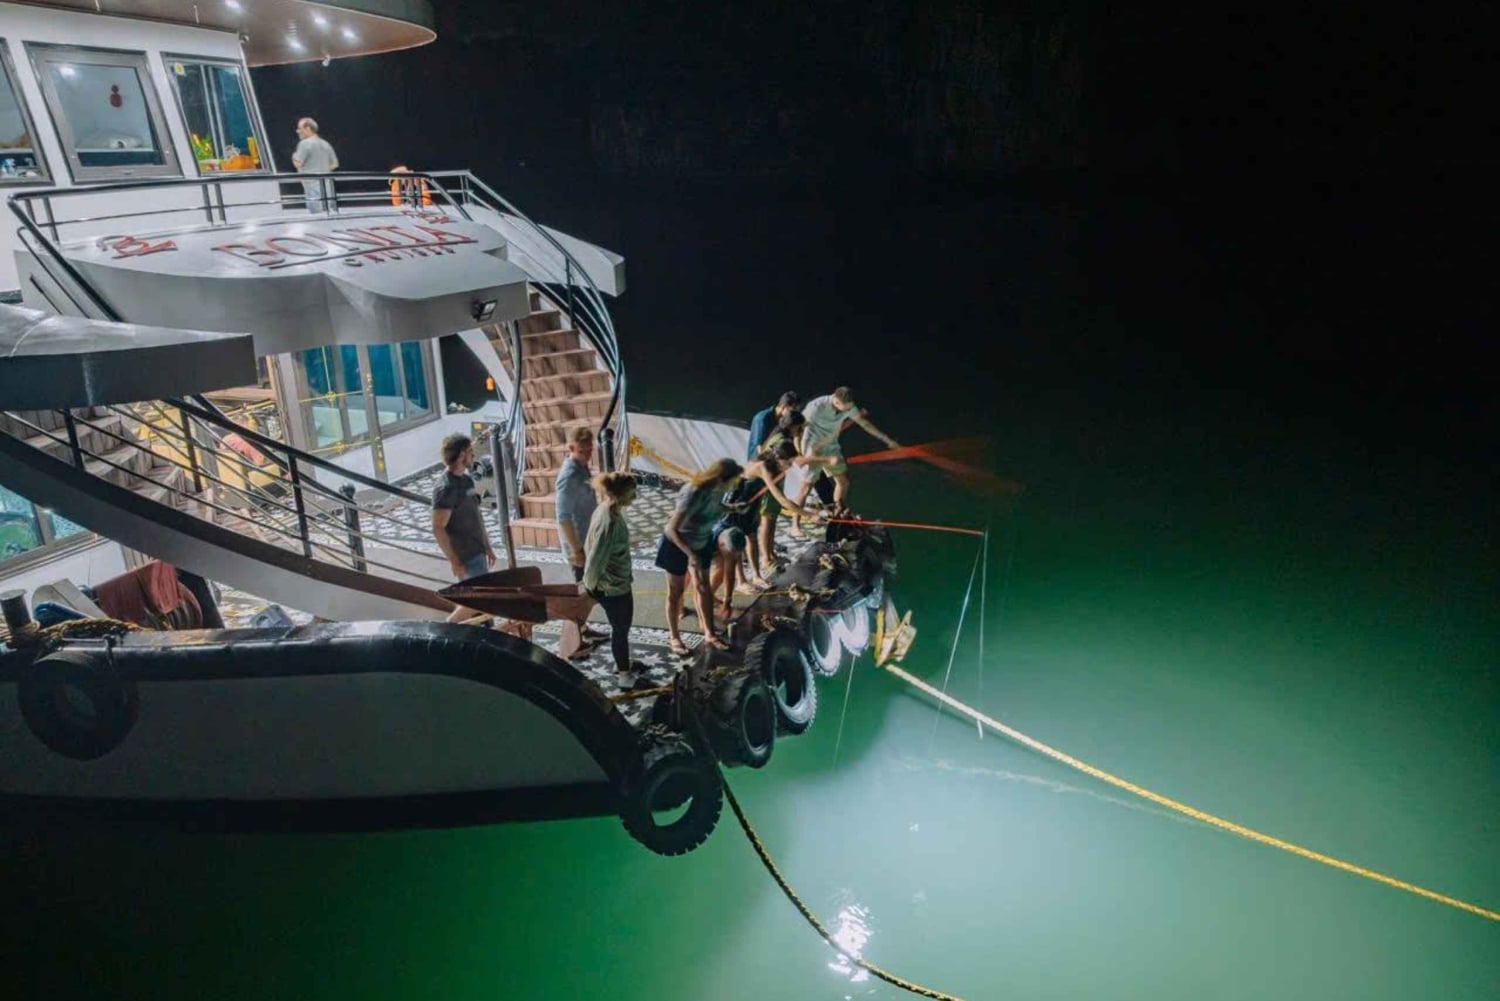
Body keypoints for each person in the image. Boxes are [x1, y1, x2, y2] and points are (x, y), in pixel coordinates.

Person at [655, 458, 742, 656]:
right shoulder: (693, 492)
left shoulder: (719, 490)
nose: (735, 484)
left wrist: (732, 508)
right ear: (722, 478)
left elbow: (715, 508)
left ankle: (710, 634)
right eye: (733, 480)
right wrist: (689, 554)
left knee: (703, 589)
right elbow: (671, 529)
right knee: (675, 592)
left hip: (700, 542)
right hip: (677, 545)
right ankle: (674, 637)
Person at [790, 386, 900, 536]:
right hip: (812, 446)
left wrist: (887, 440)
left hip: (832, 446)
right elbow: (798, 429)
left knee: (843, 481)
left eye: (848, 409)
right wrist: (799, 453)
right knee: (806, 487)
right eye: (844, 409)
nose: (846, 412)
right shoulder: (816, 407)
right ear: (835, 401)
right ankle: (795, 526)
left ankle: (837, 515)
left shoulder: (848, 407)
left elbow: (864, 424)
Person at [582, 472, 642, 676]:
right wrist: (590, 587)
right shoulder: (610, 522)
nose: (635, 497)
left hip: (614, 582)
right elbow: (596, 558)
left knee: (621, 629)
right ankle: (624, 674)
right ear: (620, 495)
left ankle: (624, 665)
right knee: (620, 629)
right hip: (613, 587)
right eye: (632, 493)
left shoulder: (605, 509)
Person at [431, 433, 496, 623]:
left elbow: (476, 515)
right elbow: (438, 527)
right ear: (461, 455)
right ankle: (449, 627)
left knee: (482, 605)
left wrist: (487, 546)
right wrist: (454, 560)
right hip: (465, 556)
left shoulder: (466, 481)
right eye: (470, 452)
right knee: (475, 601)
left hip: (478, 551)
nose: (473, 456)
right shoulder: (446, 488)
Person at [554, 427, 596, 584]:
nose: (588, 456)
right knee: (583, 592)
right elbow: (563, 517)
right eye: (582, 451)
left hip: (588, 538)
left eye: (590, 450)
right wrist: (576, 550)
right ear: (571, 448)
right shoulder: (569, 476)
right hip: (579, 544)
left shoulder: (582, 466)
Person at [291, 117, 338, 212]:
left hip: (312, 188)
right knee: (328, 215)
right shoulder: (325, 144)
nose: (298, 131)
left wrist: (294, 155)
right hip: (327, 187)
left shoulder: (304, 144)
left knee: (316, 216)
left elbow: (298, 164)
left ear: (308, 128)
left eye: (300, 128)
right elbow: (334, 164)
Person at [746, 390, 800, 459]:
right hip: (759, 462)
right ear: (784, 406)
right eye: (792, 410)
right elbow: (758, 446)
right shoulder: (762, 418)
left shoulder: (784, 420)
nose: (793, 413)